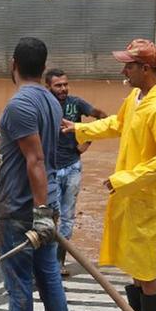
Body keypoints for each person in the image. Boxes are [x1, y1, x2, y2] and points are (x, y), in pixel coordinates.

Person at [61, 38, 156, 311]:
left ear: (145, 68)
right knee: (132, 257)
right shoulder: (136, 99)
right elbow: (117, 124)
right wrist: (78, 128)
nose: (124, 71)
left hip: (149, 197)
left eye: (128, 66)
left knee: (144, 264)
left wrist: (125, 179)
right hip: (134, 194)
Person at [0, 37, 70, 311]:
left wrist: (40, 213)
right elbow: (26, 143)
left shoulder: (18, 105)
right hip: (46, 208)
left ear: (12, 64)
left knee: (19, 289)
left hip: (19, 210)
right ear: (43, 68)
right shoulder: (51, 102)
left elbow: (36, 160)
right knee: (50, 282)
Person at [44, 68, 106, 276]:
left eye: (65, 85)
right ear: (48, 87)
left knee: (68, 217)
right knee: (49, 216)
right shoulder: (43, 105)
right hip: (49, 169)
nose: (63, 89)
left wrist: (87, 142)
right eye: (58, 85)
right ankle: (47, 263)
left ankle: (59, 262)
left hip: (72, 167)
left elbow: (103, 118)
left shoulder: (76, 103)